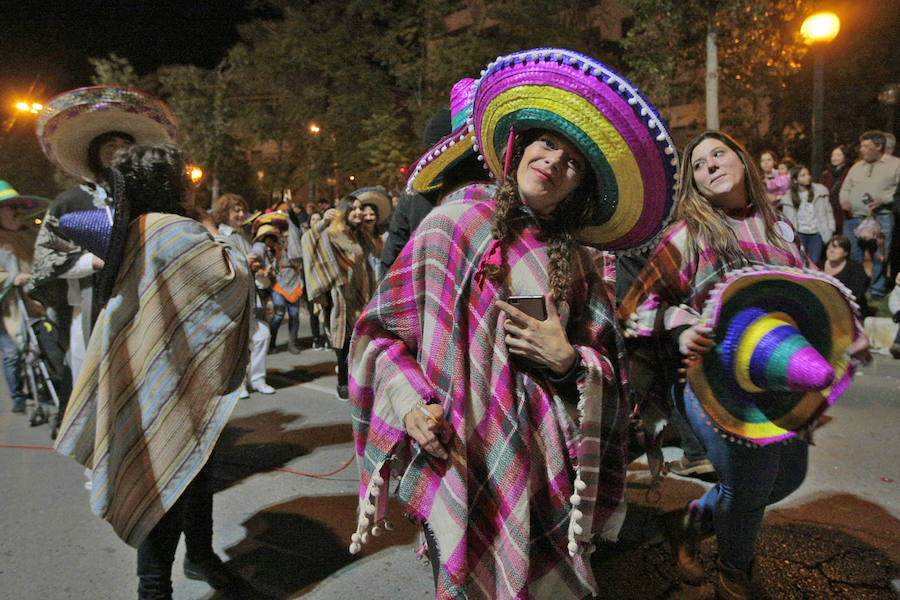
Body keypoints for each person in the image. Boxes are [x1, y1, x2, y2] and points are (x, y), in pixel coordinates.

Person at [349, 48, 680, 599]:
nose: (554, 161)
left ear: (580, 187)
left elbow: (614, 371)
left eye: (573, 161)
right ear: (520, 145)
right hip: (456, 449)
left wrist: (571, 361)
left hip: (546, 468)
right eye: (548, 143)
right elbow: (380, 337)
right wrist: (409, 407)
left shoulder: (576, 261)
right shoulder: (448, 225)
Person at [620, 130, 871, 599]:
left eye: (719, 154)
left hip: (780, 376)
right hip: (717, 381)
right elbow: (635, 305)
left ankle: (697, 518)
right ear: (692, 184)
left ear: (742, 162)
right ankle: (734, 573)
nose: (710, 165)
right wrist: (681, 324)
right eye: (697, 164)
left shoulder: (779, 228)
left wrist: (843, 337)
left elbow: (809, 296)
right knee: (751, 486)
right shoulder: (687, 234)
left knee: (787, 479)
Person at [54, 144, 254, 600]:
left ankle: (199, 557)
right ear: (171, 183)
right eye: (186, 174)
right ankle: (154, 588)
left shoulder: (135, 228)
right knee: (166, 480)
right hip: (167, 379)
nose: (193, 181)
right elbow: (232, 277)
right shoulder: (173, 232)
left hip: (152, 373)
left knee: (192, 470)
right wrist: (209, 226)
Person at [29, 86, 177, 383]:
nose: (117, 153)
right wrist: (92, 261)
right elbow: (44, 257)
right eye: (109, 146)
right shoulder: (69, 203)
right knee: (94, 380)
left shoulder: (147, 202)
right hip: (90, 306)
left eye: (124, 146)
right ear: (94, 153)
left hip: (146, 304)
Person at [302, 193, 376, 399]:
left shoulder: (359, 234)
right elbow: (308, 241)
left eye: (361, 208)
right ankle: (343, 382)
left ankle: (359, 379)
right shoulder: (332, 233)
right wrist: (322, 223)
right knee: (344, 339)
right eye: (353, 208)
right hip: (342, 296)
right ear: (344, 211)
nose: (359, 212)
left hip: (362, 293)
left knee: (361, 338)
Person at [212, 193, 275, 396]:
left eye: (242, 210)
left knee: (262, 335)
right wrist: (242, 263)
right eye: (235, 210)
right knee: (236, 342)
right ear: (225, 213)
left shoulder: (245, 235)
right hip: (231, 296)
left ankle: (257, 379)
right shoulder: (219, 235)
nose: (240, 214)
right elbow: (219, 268)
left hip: (251, 294)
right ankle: (238, 384)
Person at [0, 182, 48, 413]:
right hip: (8, 308)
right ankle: (18, 395)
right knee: (12, 353)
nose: (17, 211)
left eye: (19, 206)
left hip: (38, 303)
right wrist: (11, 278)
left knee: (47, 345)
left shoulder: (34, 234)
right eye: (10, 207)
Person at [839, 130, 900, 297]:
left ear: (879, 146)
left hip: (882, 217)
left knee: (880, 255)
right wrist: (844, 200)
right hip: (855, 218)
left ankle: (877, 289)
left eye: (866, 146)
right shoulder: (857, 166)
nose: (862, 149)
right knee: (853, 253)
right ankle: (856, 286)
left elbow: (898, 192)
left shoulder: (895, 165)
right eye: (862, 146)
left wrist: (884, 199)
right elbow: (845, 187)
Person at [779, 164, 834, 266]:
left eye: (808, 174)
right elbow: (786, 218)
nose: (808, 177)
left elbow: (828, 212)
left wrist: (830, 229)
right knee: (799, 262)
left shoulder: (820, 192)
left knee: (815, 262)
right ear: (795, 180)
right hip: (800, 233)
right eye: (803, 175)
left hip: (816, 233)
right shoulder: (789, 197)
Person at [823, 234, 869, 317]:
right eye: (829, 248)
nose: (831, 250)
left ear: (846, 252)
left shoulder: (855, 268)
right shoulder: (818, 266)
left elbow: (857, 294)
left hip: (849, 309)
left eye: (836, 248)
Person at [820, 144, 852, 234]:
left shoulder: (849, 172)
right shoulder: (827, 174)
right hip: (829, 208)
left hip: (842, 209)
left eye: (838, 155)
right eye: (833, 155)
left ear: (845, 157)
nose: (834, 158)